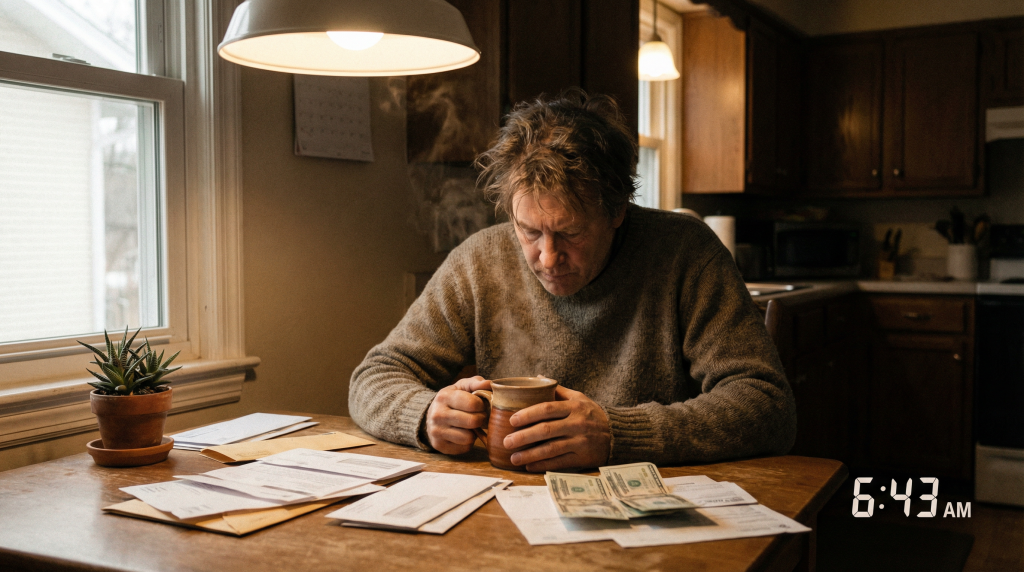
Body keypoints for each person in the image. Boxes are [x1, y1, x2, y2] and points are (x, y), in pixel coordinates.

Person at [349, 90, 796, 472]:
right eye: (528, 231)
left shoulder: (684, 252)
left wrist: (617, 434)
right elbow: (375, 376)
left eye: (571, 233)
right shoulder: (479, 260)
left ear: (617, 211)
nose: (547, 257)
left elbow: (767, 405)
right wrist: (426, 415)